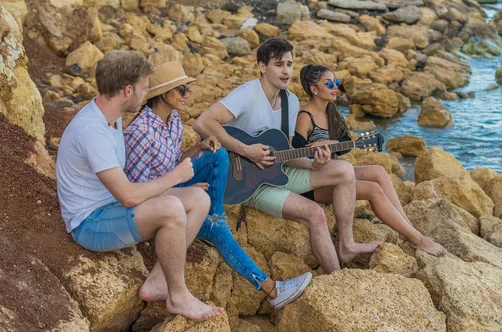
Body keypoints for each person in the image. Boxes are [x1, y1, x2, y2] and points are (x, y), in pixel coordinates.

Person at [124, 61, 311, 309]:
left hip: (172, 187)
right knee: (217, 228)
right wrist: (182, 191)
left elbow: (174, 162)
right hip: (155, 201)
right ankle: (271, 288)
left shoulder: (173, 120)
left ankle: (215, 215)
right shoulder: (141, 132)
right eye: (182, 90)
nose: (187, 95)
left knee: (218, 152)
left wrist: (197, 148)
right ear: (163, 94)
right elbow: (137, 193)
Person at [56, 51, 224, 322]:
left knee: (198, 200)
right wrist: (176, 176)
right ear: (127, 90)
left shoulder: (112, 114)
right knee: (171, 208)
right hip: (89, 223)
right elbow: (127, 195)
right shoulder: (92, 132)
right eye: (145, 87)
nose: (147, 94)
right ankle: (179, 297)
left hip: (109, 206)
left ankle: (158, 282)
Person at [194, 38, 380, 274]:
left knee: (344, 170)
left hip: (276, 170)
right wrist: (246, 150)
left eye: (290, 64)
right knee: (315, 213)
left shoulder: (290, 101)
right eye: (279, 64)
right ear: (262, 67)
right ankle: (338, 278)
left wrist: (314, 163)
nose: (286, 71)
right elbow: (202, 123)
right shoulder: (248, 94)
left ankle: (347, 244)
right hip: (246, 183)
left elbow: (284, 153)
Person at [293, 64, 447, 257]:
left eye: (336, 82)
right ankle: (418, 239)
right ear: (314, 89)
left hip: (331, 173)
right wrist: (315, 157)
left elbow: (345, 144)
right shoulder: (304, 117)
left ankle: (407, 230)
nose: (335, 87)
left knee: (378, 171)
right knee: (373, 190)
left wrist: (329, 143)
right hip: (310, 183)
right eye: (329, 83)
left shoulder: (331, 112)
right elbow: (296, 155)